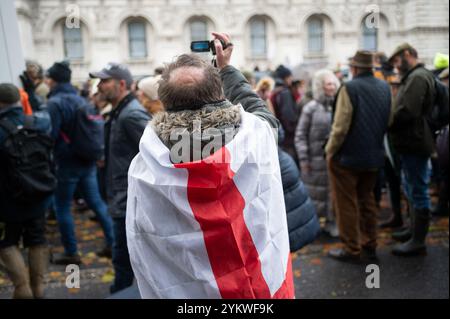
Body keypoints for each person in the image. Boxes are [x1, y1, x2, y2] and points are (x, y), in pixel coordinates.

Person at [126, 32, 294, 299]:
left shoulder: (146, 160)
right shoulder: (255, 136)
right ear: (218, 94)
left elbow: (140, 235)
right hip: (253, 290)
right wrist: (226, 69)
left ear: (165, 103)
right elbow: (262, 114)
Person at [89, 62, 151, 293]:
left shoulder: (131, 114)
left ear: (121, 84)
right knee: (123, 260)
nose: (100, 86)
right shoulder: (119, 112)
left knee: (123, 261)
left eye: (105, 81)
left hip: (127, 201)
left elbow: (157, 155)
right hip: (121, 198)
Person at [325, 51, 392, 263]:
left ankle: (351, 248)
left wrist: (330, 150)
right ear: (371, 68)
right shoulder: (385, 87)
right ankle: (370, 244)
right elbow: (389, 120)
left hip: (347, 157)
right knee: (368, 200)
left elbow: (340, 127)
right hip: (374, 155)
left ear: (354, 69)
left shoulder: (349, 88)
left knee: (346, 203)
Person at [45, 61, 114, 265]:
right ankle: (114, 243)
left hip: (66, 162)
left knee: (62, 206)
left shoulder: (55, 103)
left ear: (54, 80)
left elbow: (52, 134)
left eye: (49, 78)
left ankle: (71, 252)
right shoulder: (80, 99)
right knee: (96, 202)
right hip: (87, 159)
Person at [0, 83, 53, 299]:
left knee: (6, 242)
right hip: (38, 194)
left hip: (6, 202)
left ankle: (23, 289)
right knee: (37, 240)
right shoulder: (40, 122)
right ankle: (38, 289)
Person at [388, 43, 436, 256]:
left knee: (418, 190)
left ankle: (418, 240)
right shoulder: (414, 76)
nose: (397, 66)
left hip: (415, 142)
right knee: (410, 187)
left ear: (408, 55)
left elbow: (408, 110)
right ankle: (412, 230)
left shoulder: (417, 77)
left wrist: (389, 121)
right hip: (411, 142)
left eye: (398, 61)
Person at [295, 69, 340, 237]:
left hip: (334, 160)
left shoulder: (340, 105)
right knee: (315, 195)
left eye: (334, 82)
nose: (333, 86)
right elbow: (300, 135)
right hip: (315, 161)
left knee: (333, 193)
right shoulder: (310, 108)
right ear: (321, 86)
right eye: (328, 83)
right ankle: (314, 225)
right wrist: (304, 159)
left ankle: (332, 222)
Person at [271, 65, 301, 162]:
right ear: (285, 78)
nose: (291, 79)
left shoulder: (275, 91)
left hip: (279, 133)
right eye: (290, 77)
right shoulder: (285, 92)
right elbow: (288, 117)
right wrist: (293, 130)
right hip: (287, 138)